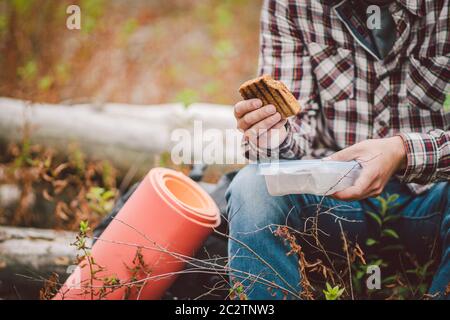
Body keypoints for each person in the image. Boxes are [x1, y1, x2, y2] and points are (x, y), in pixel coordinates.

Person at [227, 0, 449, 299]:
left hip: (433, 203)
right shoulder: (293, 4)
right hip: (334, 204)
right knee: (255, 187)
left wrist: (402, 151)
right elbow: (298, 124)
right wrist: (273, 137)